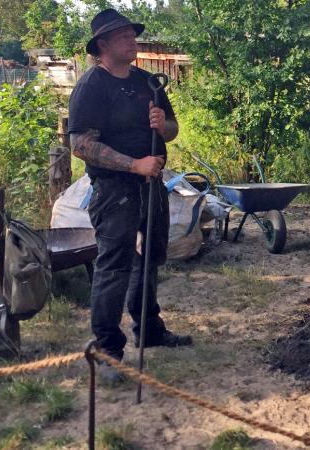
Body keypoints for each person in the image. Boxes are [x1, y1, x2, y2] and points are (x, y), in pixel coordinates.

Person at [68, 9, 191, 382]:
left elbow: (171, 130)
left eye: (131, 34)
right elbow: (81, 145)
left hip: (152, 185)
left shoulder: (146, 83)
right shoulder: (92, 86)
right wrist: (134, 164)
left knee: (150, 257)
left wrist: (162, 125)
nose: (131, 40)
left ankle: (149, 330)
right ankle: (107, 351)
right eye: (122, 36)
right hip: (115, 191)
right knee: (113, 266)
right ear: (102, 45)